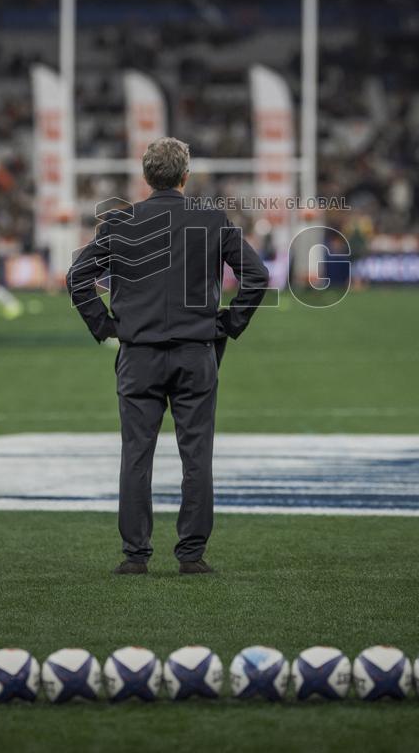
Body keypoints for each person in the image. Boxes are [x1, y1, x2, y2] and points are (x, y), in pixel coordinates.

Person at [66, 137, 269, 575]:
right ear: (185, 176)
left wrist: (107, 328)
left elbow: (77, 279)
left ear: (145, 178)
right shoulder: (212, 221)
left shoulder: (119, 224)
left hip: (139, 356)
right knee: (197, 455)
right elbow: (257, 276)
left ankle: (135, 555)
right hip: (196, 353)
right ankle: (191, 555)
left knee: (136, 454)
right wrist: (229, 325)